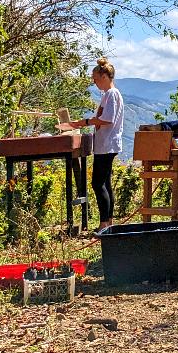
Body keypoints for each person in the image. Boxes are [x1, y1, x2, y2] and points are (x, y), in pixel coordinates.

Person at [69, 57, 124, 230]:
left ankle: (104, 224)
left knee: (97, 183)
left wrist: (84, 122)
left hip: (107, 145)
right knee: (105, 183)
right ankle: (108, 222)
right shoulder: (108, 95)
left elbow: (107, 119)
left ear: (105, 76)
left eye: (96, 78)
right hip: (105, 144)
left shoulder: (112, 94)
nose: (94, 82)